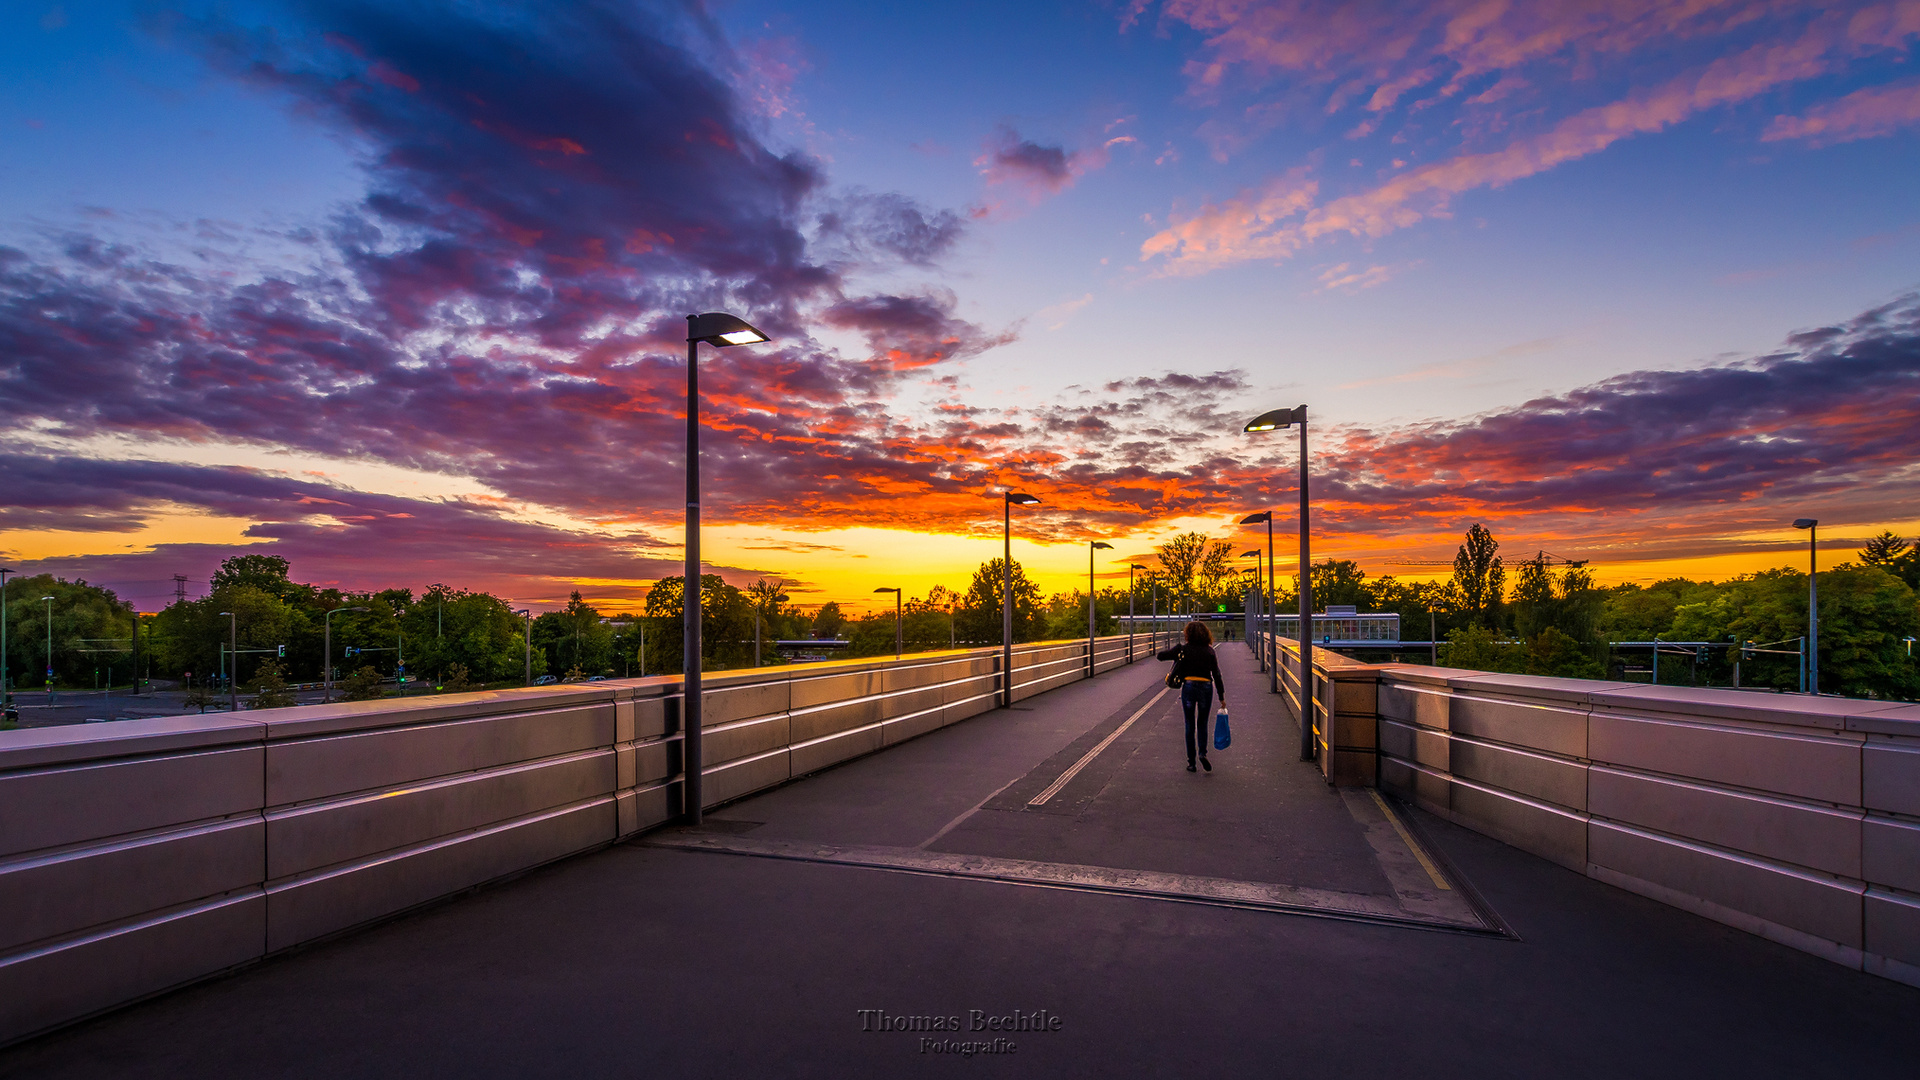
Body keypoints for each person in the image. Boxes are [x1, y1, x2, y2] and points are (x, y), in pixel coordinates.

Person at [1158, 621, 1225, 773]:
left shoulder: (1183, 649)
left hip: (1189, 686)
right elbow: (1217, 674)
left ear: (1188, 634)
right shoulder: (1209, 651)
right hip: (1206, 687)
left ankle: (1191, 763)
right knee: (1202, 722)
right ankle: (1202, 753)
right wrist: (1221, 696)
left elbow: (1160, 657)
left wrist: (1174, 653)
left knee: (1189, 724)